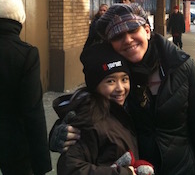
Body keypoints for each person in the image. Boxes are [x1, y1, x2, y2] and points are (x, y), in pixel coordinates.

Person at [50, 3, 195, 175]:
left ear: (147, 30)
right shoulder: (114, 75)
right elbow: (87, 106)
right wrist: (61, 131)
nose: (127, 39)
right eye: (118, 36)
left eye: (133, 30)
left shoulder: (181, 67)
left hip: (181, 169)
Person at [52, 42, 154, 175]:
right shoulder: (89, 119)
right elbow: (70, 168)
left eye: (124, 79)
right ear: (95, 85)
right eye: (110, 81)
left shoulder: (128, 108)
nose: (120, 88)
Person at [0, 0, 52, 175]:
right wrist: (41, 163)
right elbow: (33, 111)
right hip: (14, 144)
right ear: (20, 19)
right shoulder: (26, 54)